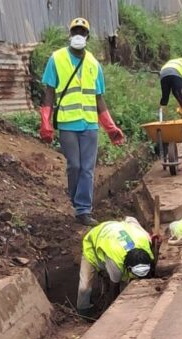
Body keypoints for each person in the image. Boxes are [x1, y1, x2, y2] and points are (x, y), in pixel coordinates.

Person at [40, 18, 125, 227]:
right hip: (68, 123)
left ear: (87, 36)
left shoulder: (94, 64)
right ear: (70, 34)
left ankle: (83, 210)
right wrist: (45, 122)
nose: (79, 34)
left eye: (82, 31)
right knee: (74, 166)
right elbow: (49, 92)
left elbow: (99, 98)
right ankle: (75, 198)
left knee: (87, 167)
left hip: (89, 125)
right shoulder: (56, 58)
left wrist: (110, 127)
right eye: (75, 31)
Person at [77, 217, 155, 316]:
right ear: (128, 267)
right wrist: (112, 310)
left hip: (115, 230)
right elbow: (114, 288)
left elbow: (131, 219)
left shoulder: (145, 239)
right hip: (93, 242)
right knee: (84, 287)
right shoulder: (116, 265)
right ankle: (83, 312)